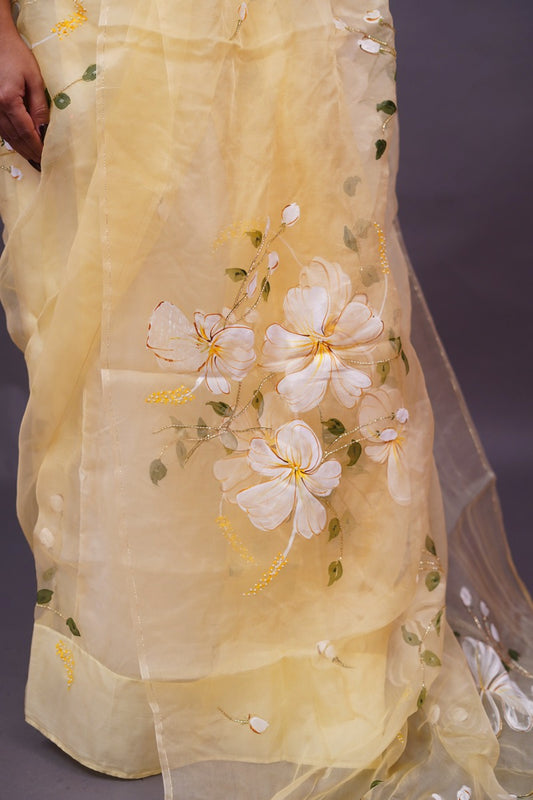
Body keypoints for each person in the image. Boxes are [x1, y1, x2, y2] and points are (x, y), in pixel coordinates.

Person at [1, 1, 532, 798]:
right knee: (125, 334)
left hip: (294, 22)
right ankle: (142, 682)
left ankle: (315, 659)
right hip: (112, 25)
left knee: (306, 305)